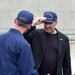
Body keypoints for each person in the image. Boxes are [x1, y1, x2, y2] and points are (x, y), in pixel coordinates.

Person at [0, 10, 39, 75]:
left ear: (15, 20)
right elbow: (28, 71)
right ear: (29, 26)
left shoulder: (1, 38)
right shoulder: (23, 44)